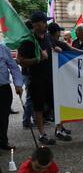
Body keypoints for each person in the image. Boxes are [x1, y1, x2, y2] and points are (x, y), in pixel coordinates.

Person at [17, 12, 57, 145]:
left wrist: (56, 48)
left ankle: (59, 129)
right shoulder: (28, 40)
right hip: (36, 79)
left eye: (46, 22)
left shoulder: (47, 37)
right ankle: (42, 134)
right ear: (35, 24)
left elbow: (52, 46)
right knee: (38, 107)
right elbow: (20, 61)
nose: (46, 24)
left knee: (55, 104)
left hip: (50, 78)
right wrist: (37, 59)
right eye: (43, 22)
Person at [0, 43, 23, 150]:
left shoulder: (3, 48)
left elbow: (13, 67)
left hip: (3, 88)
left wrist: (18, 84)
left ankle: (3, 142)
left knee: (3, 117)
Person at [21, 20, 36, 130]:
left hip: (28, 73)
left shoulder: (27, 40)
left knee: (32, 97)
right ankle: (26, 120)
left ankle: (33, 119)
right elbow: (22, 60)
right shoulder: (26, 41)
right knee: (30, 98)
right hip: (28, 73)